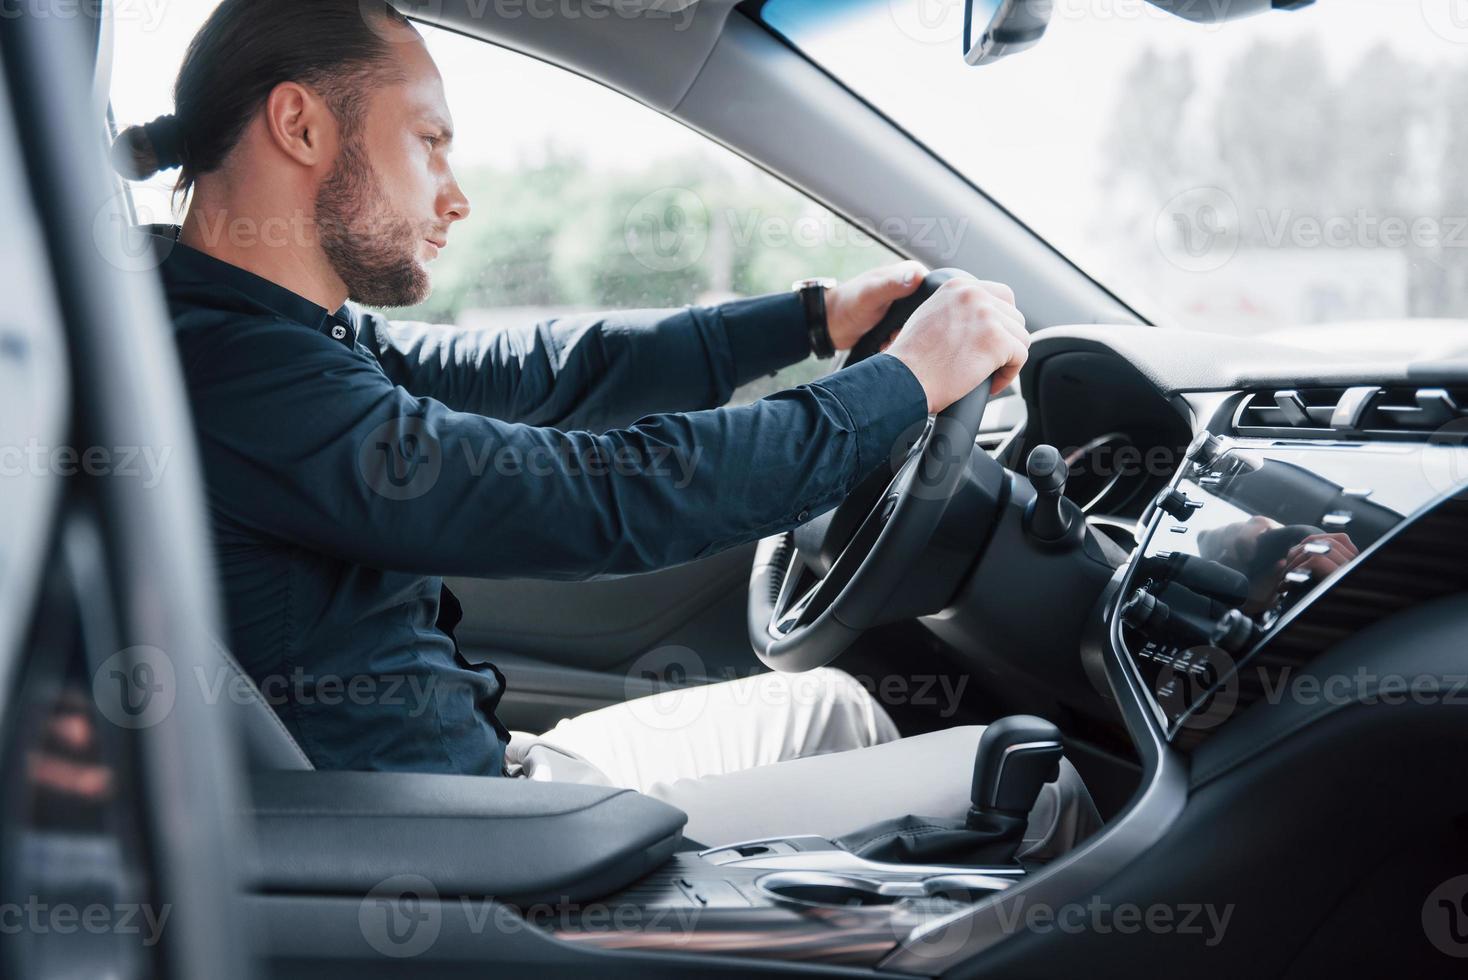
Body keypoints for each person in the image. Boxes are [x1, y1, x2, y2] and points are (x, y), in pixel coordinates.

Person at [111, 0, 1096, 849]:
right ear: (299, 124)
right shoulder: (238, 370)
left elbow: (552, 371)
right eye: (429, 140)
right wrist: (906, 381)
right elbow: (601, 494)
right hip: (467, 845)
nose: (454, 196)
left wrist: (810, 317)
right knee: (1032, 786)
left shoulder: (272, 330)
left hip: (478, 779)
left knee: (836, 707)